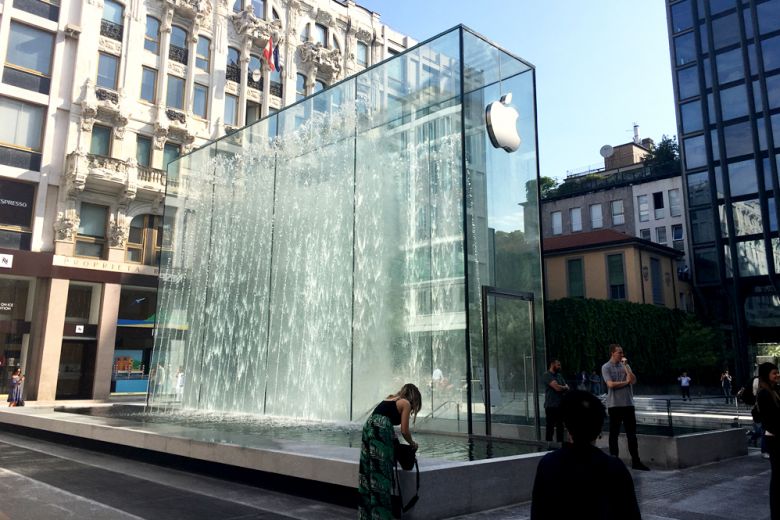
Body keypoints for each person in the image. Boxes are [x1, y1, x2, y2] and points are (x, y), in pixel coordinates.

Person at [531, 390, 641, 520]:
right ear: (599, 430)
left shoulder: (548, 464)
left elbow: (538, 513)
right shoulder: (615, 468)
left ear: (567, 425)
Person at [358, 383, 422, 519]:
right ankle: (381, 516)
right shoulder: (405, 403)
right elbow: (404, 431)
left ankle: (367, 515)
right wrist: (412, 443)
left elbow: (381, 417)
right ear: (414, 397)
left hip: (368, 426)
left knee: (368, 471)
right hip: (381, 429)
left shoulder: (391, 398)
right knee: (381, 473)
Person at [601, 344, 650, 471]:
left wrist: (626, 367)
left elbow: (633, 380)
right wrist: (625, 382)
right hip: (615, 405)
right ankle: (614, 462)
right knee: (614, 435)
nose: (622, 355)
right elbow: (610, 384)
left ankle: (636, 461)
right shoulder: (606, 367)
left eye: (622, 352)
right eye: (619, 353)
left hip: (628, 404)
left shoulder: (625, 366)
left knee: (632, 435)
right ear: (612, 353)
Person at [756, 362, 780, 520]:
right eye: (774, 373)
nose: (777, 375)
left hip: (776, 438)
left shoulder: (774, 390)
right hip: (775, 440)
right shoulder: (764, 393)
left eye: (778, 372)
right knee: (778, 479)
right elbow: (769, 420)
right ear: (766, 375)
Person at [542, 359, 569, 442]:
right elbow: (557, 388)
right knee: (550, 427)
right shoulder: (547, 375)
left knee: (560, 427)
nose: (559, 367)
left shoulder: (559, 376)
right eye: (558, 365)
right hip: (551, 405)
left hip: (560, 405)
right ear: (552, 364)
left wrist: (563, 387)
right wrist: (564, 387)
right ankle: (549, 445)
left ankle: (559, 446)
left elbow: (567, 387)